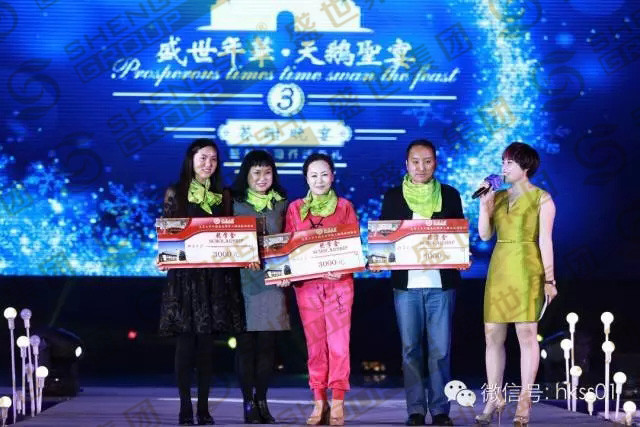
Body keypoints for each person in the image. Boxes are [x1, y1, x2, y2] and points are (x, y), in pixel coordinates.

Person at [377, 139, 464, 426]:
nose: (421, 167)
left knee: (441, 351)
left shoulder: (450, 195)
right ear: (406, 164)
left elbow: (458, 235)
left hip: (441, 285)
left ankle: (440, 410)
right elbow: (383, 240)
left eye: (427, 161)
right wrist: (378, 257)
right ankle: (415, 410)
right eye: (415, 161)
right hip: (406, 287)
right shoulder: (393, 197)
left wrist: (462, 254)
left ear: (435, 163)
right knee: (410, 350)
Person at [158, 139, 245, 426]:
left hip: (214, 279)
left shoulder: (224, 195)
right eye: (203, 157)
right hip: (185, 279)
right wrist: (164, 256)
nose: (208, 163)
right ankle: (185, 408)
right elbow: (168, 233)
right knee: (185, 346)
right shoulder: (176, 192)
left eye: (213, 159)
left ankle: (204, 409)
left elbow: (233, 235)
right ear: (191, 160)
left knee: (207, 348)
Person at [475, 142, 557, 426]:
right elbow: (485, 235)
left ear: (526, 167)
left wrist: (550, 279)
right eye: (503, 162)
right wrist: (484, 206)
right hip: (500, 267)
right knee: (492, 335)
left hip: (527, 267)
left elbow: (545, 241)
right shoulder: (497, 196)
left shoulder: (542, 199)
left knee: (526, 333)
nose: (504, 168)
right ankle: (493, 397)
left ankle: (524, 400)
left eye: (509, 163)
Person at [282, 153, 358, 426]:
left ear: (333, 176)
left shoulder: (345, 207)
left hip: (339, 285)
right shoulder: (295, 208)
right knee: (315, 346)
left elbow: (353, 246)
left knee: (338, 344)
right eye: (313, 175)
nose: (319, 180)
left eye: (324, 174)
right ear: (306, 179)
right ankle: (318, 401)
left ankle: (337, 401)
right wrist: (283, 272)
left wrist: (344, 267)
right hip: (307, 287)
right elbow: (287, 247)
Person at [231, 150, 291, 424]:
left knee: (267, 346)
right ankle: (247, 403)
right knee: (246, 346)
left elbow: (291, 240)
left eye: (267, 172)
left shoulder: (282, 203)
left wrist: (291, 270)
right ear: (246, 175)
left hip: (273, 282)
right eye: (256, 172)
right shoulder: (233, 202)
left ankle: (262, 401)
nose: (262, 178)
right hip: (241, 282)